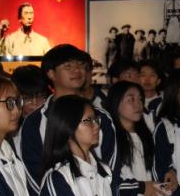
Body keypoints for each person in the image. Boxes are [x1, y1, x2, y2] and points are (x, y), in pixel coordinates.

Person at [20, 45, 114, 186]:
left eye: (80, 65)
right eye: (68, 66)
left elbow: (111, 170)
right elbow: (33, 173)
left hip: (99, 195)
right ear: (51, 74)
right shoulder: (35, 121)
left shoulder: (102, 118)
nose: (77, 70)